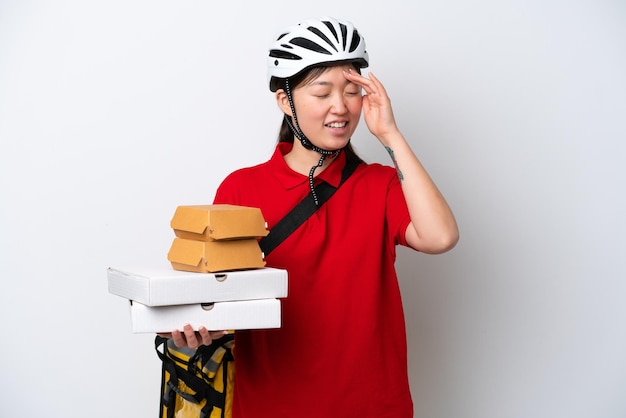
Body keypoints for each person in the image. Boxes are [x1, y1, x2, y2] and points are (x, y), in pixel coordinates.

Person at [165, 16, 458, 417]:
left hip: (373, 408)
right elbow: (220, 304)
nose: (341, 107)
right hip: (271, 407)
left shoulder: (382, 185)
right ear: (285, 101)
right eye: (322, 92)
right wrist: (194, 332)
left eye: (352, 90)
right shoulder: (240, 191)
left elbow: (440, 236)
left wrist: (389, 134)